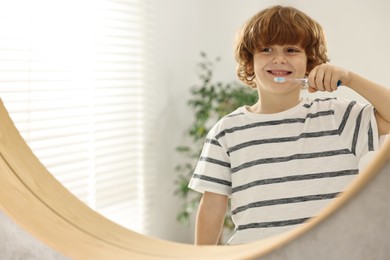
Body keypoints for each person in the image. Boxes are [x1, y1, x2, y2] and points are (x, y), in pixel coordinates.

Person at [188, 5, 390, 245]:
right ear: (250, 62)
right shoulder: (226, 131)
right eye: (266, 49)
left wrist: (349, 78)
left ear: (310, 63)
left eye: (291, 49)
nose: (279, 58)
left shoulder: (337, 117)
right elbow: (212, 204)